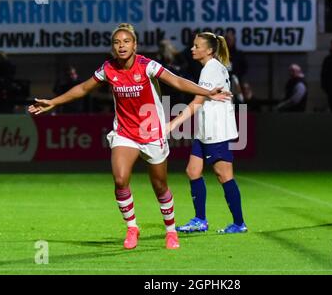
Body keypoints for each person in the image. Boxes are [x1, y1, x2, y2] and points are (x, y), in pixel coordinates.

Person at [28, 23, 231, 250]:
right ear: (113, 47)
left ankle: (170, 230)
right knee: (120, 179)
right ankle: (132, 227)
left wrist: (207, 92)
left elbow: (176, 81)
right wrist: (52, 102)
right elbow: (83, 88)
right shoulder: (108, 68)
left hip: (151, 133)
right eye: (117, 42)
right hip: (125, 133)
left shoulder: (147, 66)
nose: (121, 46)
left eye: (126, 41)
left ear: (135, 45)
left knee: (160, 185)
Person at [167, 32, 248, 234]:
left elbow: (196, 103)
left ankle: (239, 223)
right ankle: (200, 220)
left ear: (209, 50)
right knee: (193, 171)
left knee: (224, 175)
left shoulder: (211, 69)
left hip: (216, 131)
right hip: (205, 131)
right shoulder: (211, 68)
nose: (192, 49)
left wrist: (172, 124)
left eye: (196, 46)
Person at [225, 30, 247, 104]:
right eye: (228, 39)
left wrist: (237, 75)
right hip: (225, 83)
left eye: (231, 39)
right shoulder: (221, 55)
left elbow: (244, 68)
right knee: (228, 102)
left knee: (241, 100)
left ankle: (243, 116)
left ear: (234, 40)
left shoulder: (239, 54)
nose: (229, 41)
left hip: (237, 81)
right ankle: (230, 115)